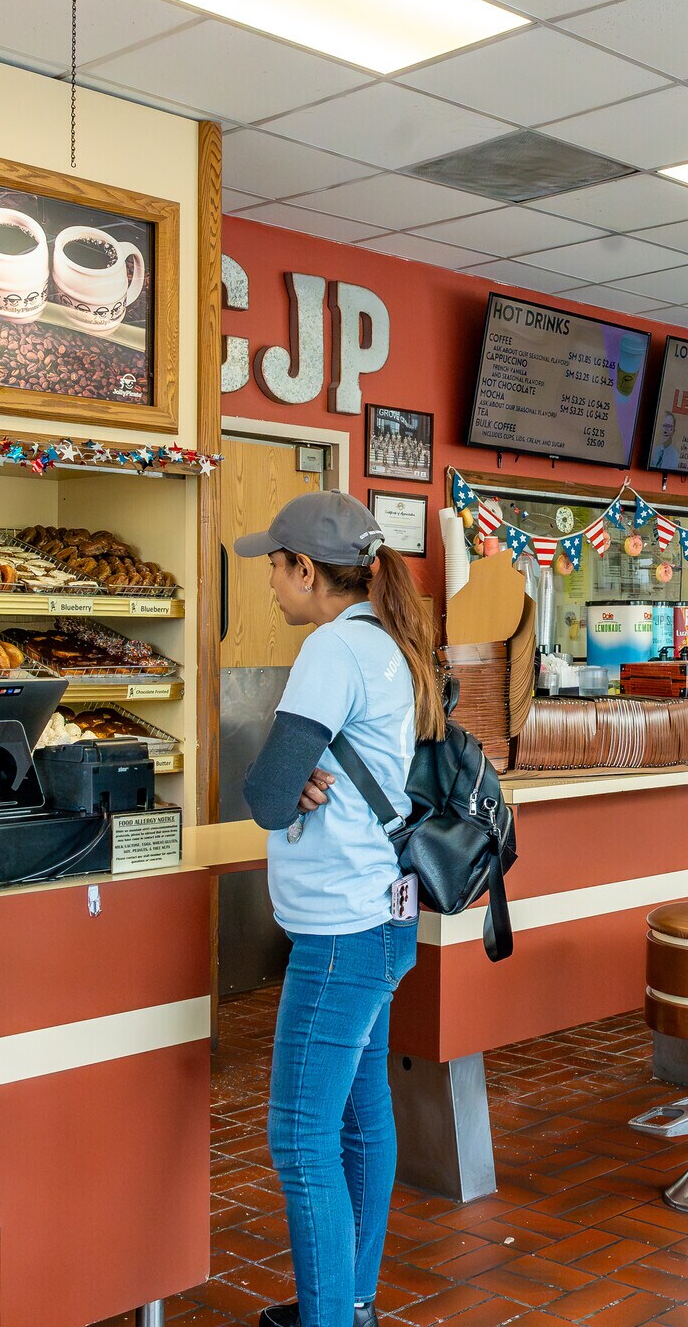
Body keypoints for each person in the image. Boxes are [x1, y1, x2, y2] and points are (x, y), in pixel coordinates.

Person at [237, 491, 443, 1327]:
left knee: (300, 1137)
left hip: (337, 934)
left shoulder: (330, 648)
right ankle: (348, 1301)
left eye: (276, 567)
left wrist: (293, 778)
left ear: (307, 570)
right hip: (385, 917)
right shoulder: (388, 643)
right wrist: (301, 774)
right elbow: (295, 779)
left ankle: (329, 1318)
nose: (270, 585)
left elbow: (263, 792)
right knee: (360, 1119)